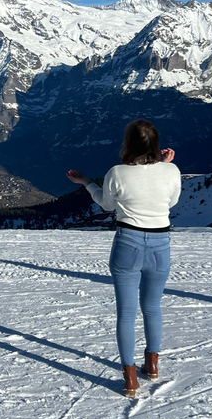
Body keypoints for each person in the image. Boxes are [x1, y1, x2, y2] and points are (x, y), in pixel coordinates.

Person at [66, 119, 181, 398]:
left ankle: (130, 378)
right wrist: (163, 166)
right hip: (160, 245)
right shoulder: (172, 170)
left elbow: (106, 204)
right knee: (152, 308)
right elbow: (171, 201)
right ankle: (152, 366)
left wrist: (86, 183)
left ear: (128, 144)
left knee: (127, 313)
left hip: (127, 242)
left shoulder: (117, 172)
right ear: (155, 145)